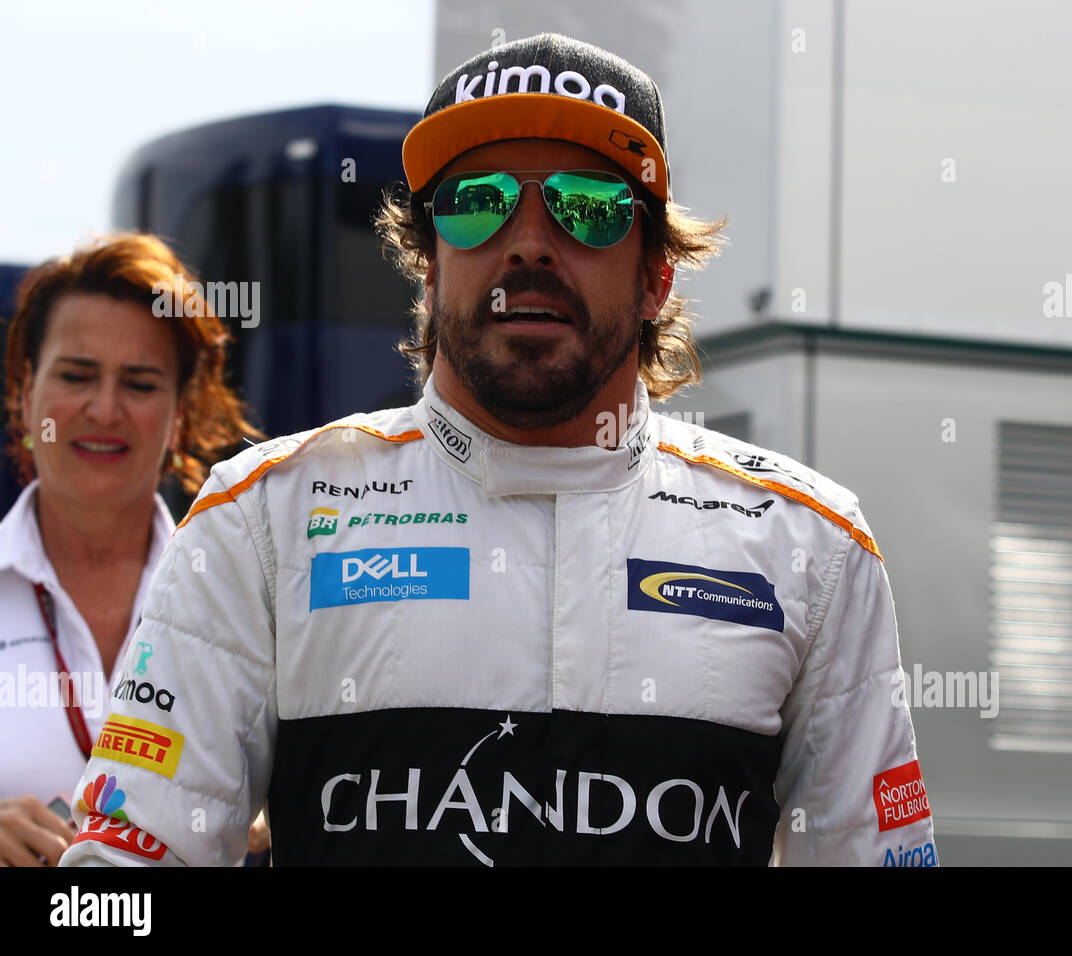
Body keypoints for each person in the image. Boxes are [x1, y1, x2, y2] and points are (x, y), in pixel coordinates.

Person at [62, 33, 937, 866]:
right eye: (477, 203)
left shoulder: (812, 546)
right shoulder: (262, 519)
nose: (527, 241)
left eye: (586, 209)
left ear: (655, 276)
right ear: (430, 263)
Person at [0, 234, 258, 865]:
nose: (104, 408)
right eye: (76, 375)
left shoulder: (248, 600)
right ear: (26, 393)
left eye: (140, 384)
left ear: (178, 416)